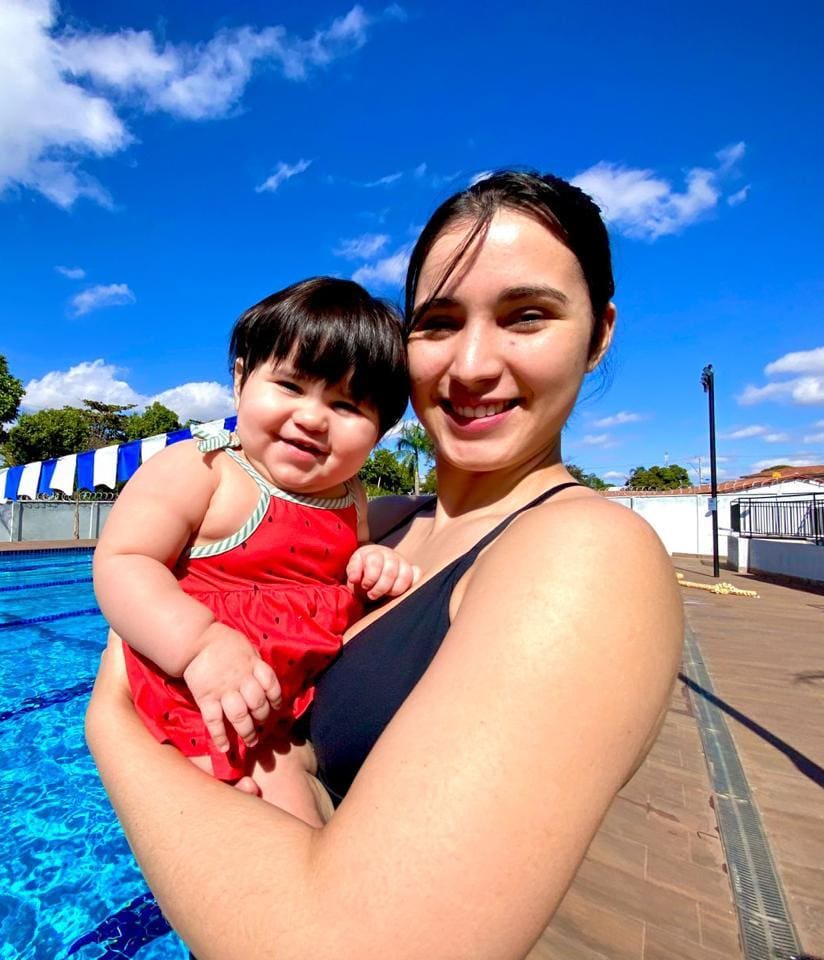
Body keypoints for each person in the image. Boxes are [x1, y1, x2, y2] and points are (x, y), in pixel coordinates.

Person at [86, 172, 683, 958]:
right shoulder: (387, 525)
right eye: (438, 323)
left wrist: (110, 725)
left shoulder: (584, 555)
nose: (471, 365)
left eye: (527, 316)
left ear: (599, 333)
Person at [92, 277, 415, 826]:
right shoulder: (205, 471)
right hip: (197, 698)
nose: (313, 418)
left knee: (299, 835)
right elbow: (124, 561)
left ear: (380, 431)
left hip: (287, 710)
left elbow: (342, 567)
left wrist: (370, 565)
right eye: (290, 386)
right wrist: (199, 647)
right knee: (237, 835)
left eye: (345, 405)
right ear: (242, 380)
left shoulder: (351, 495)